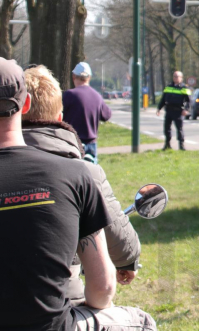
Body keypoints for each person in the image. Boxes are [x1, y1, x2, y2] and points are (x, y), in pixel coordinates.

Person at [0, 58, 156, 331]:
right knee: (140, 322)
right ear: (23, 105)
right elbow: (103, 286)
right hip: (54, 325)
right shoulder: (78, 175)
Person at [22, 65, 141, 303]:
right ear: (59, 118)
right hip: (62, 306)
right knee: (143, 323)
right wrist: (129, 262)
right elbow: (123, 249)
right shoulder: (85, 174)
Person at [62, 62, 112, 164]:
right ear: (89, 77)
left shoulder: (68, 95)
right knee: (92, 176)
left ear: (73, 76)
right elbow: (106, 115)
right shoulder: (97, 96)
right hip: (91, 144)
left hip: (72, 142)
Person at [156, 71, 191, 151]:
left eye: (177, 76)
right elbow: (163, 99)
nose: (175, 78)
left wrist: (186, 109)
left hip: (178, 111)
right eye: (174, 76)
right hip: (169, 110)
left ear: (181, 78)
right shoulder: (168, 87)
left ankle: (181, 145)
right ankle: (167, 144)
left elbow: (189, 101)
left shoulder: (184, 88)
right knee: (167, 128)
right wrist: (159, 109)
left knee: (179, 128)